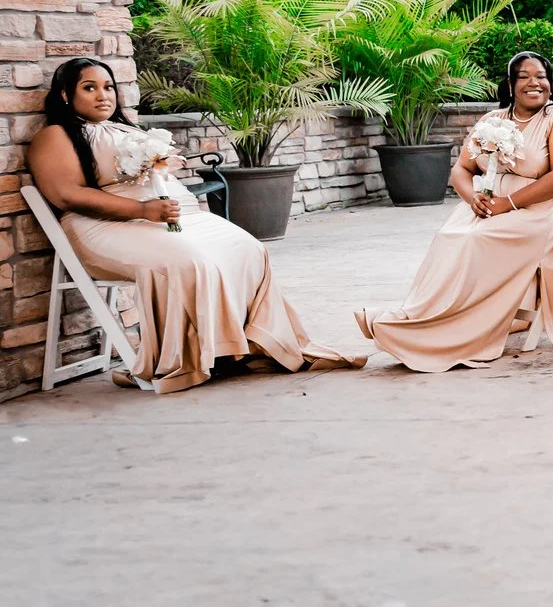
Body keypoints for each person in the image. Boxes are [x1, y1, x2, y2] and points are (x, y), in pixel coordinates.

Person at [28, 56, 363, 393]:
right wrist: (142, 209)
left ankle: (240, 349)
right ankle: (191, 358)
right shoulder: (56, 135)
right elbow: (66, 194)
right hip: (106, 226)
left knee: (248, 248)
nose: (104, 95)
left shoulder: (124, 128)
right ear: (65, 96)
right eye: (90, 88)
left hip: (172, 217)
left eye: (108, 87)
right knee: (188, 261)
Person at [357, 52, 553, 371]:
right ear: (509, 84)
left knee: (475, 241)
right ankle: (418, 316)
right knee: (450, 235)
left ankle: (451, 330)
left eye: (541, 76)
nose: (534, 82)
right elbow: (461, 170)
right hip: (489, 204)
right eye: (524, 76)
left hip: (540, 209)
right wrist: (472, 198)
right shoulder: (492, 121)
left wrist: (508, 204)